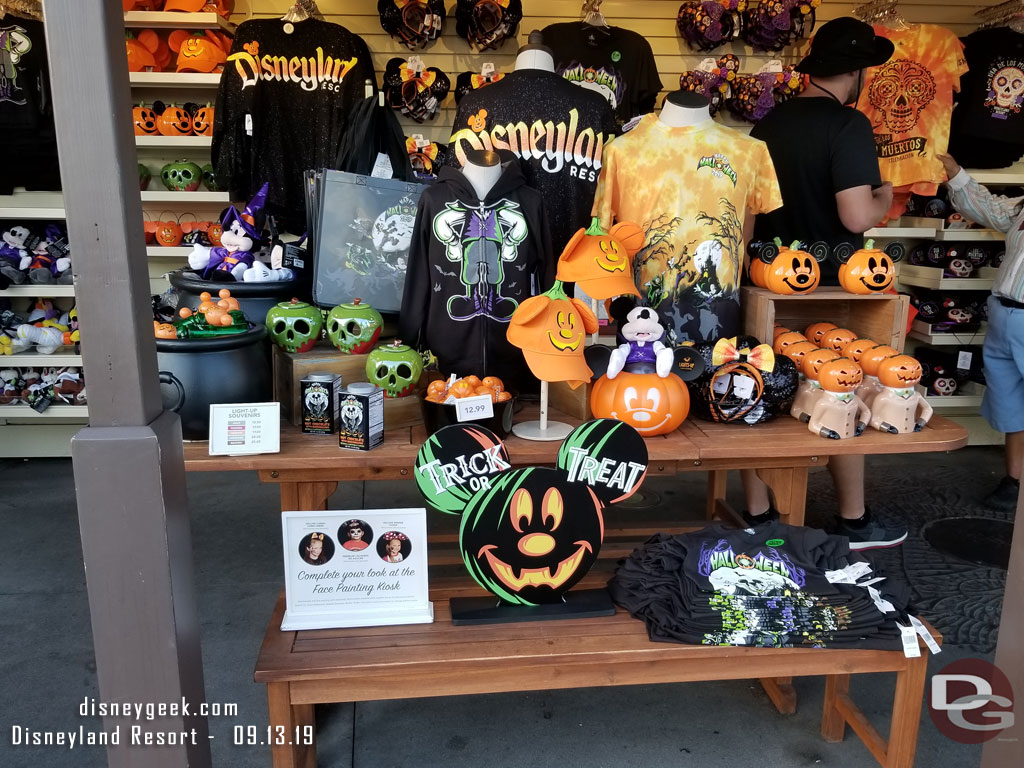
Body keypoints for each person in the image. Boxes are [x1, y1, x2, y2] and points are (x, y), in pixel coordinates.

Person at [744, 17, 907, 550]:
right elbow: (857, 214)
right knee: (847, 385)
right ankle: (853, 520)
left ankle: (760, 516)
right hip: (838, 287)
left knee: (763, 393)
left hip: (768, 280)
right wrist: (886, 196)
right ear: (856, 72)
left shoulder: (766, 126)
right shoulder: (848, 126)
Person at [937, 152, 1024, 512]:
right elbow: (989, 208)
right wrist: (955, 172)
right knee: (1011, 406)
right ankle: (1015, 481)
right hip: (1005, 314)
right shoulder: (1023, 207)